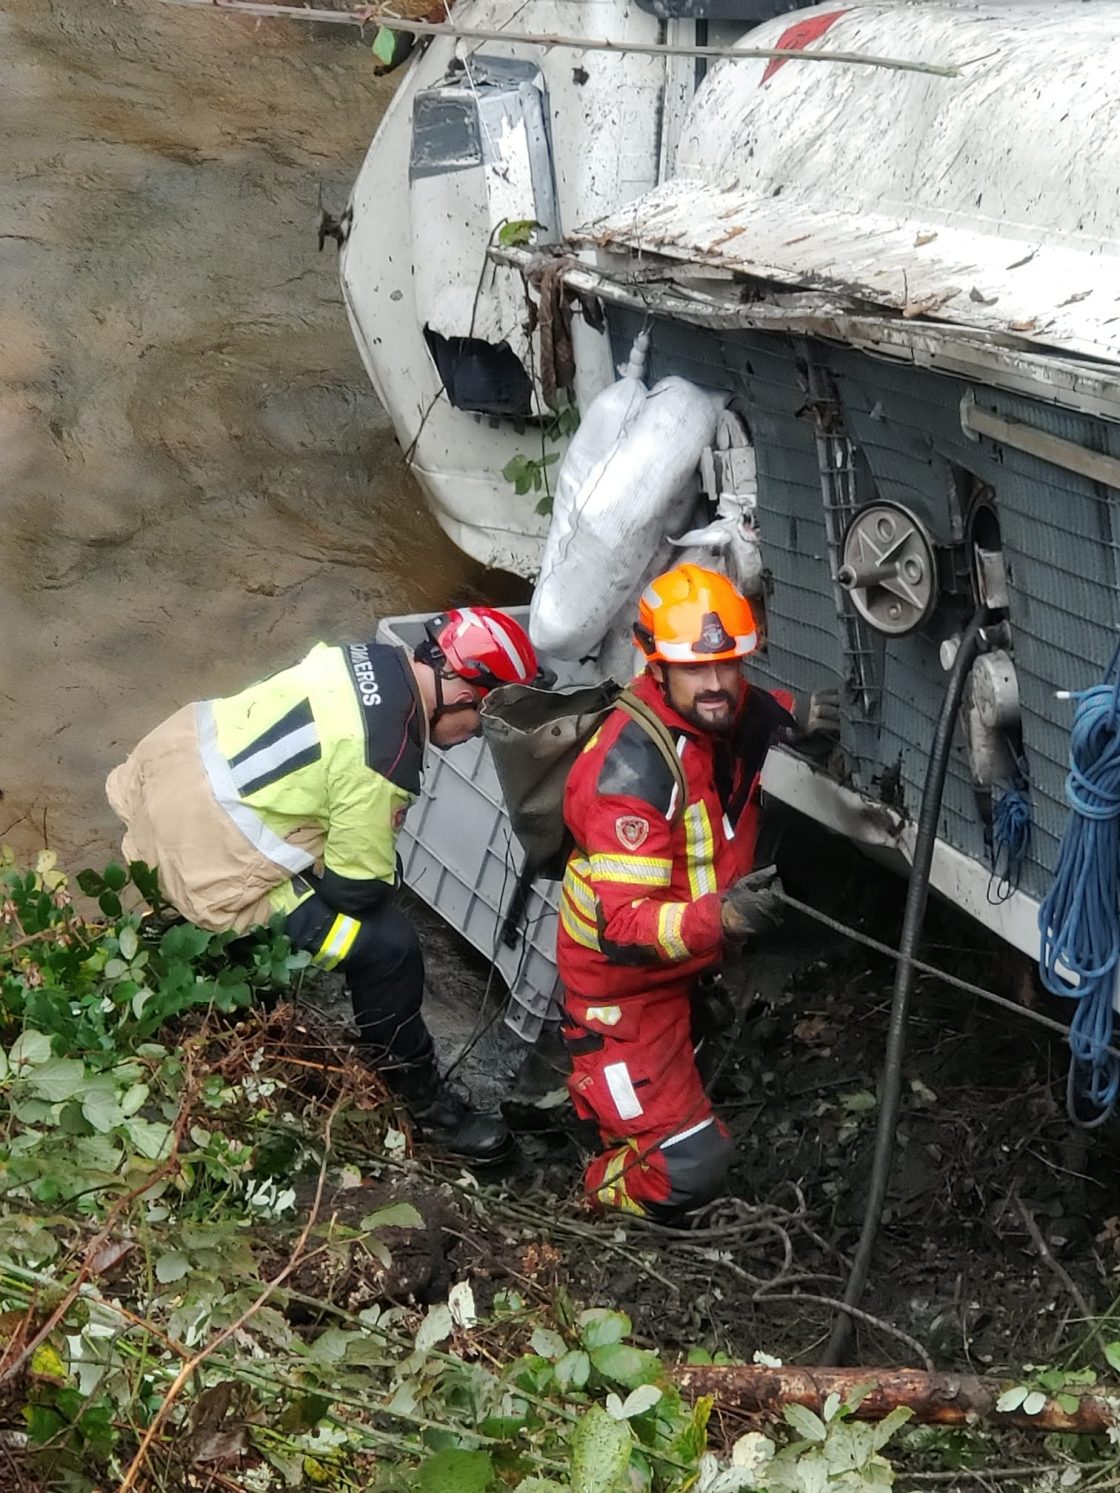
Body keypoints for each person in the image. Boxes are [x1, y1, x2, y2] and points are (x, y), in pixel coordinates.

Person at [106, 607, 545, 1163]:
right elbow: (354, 892)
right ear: (464, 692)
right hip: (202, 863)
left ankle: (204, 954)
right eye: (480, 720)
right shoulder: (384, 755)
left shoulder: (360, 659)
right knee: (388, 948)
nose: (472, 734)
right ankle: (422, 1104)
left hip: (163, 777)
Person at [556, 564, 838, 1220]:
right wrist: (729, 915)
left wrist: (803, 718)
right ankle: (603, 1184)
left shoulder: (721, 709)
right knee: (687, 1171)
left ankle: (655, 1085)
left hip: (683, 972)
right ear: (657, 669)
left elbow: (760, 716)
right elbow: (624, 929)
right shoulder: (631, 772)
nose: (716, 682)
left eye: (728, 664)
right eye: (695, 668)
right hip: (620, 998)